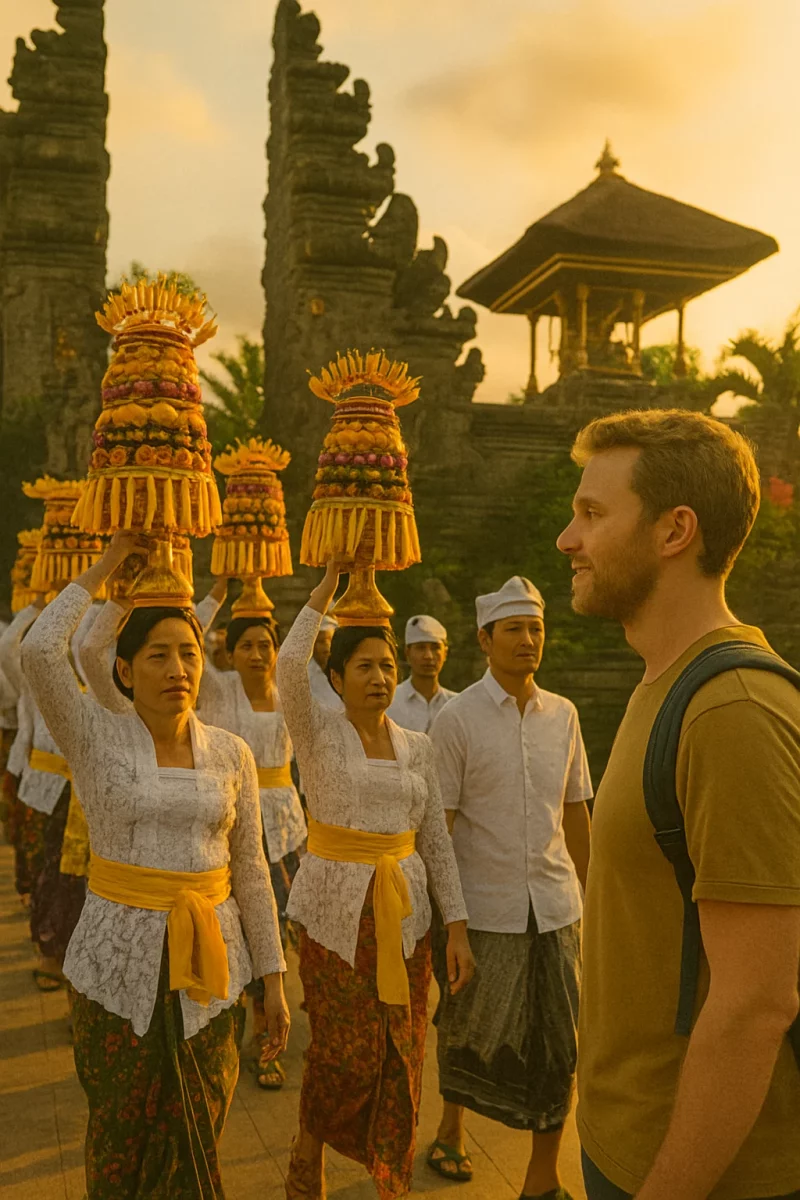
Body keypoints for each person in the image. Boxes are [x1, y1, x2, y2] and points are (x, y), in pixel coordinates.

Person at [556, 409, 800, 1200]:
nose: (568, 539)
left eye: (592, 514)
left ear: (674, 531)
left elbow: (756, 1002)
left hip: (700, 1175)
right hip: (626, 1139)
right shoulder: (665, 680)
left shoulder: (731, 709)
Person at [21, 531, 290, 1199]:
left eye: (189, 654)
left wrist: (273, 978)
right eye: (158, 655)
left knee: (197, 1136)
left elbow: (251, 871)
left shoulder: (230, 753)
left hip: (212, 968)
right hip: (116, 966)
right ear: (123, 668)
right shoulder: (94, 734)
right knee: (119, 1137)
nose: (177, 668)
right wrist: (112, 565)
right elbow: (38, 652)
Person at [276, 561, 475, 1200]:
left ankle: (391, 1175)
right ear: (334, 679)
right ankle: (310, 1145)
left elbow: (436, 841)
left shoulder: (417, 744)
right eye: (363, 666)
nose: (380, 677)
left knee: (402, 1050)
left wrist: (458, 928)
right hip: (337, 919)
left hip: (408, 920)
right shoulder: (318, 734)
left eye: (386, 667)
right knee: (344, 1054)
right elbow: (287, 669)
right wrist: (326, 591)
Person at [429, 575, 592, 1200]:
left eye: (536, 629)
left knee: (559, 1045)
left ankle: (541, 1178)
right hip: (484, 913)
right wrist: (454, 927)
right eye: (515, 630)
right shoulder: (456, 720)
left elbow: (576, 810)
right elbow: (438, 832)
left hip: (555, 908)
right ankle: (450, 1131)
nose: (528, 641)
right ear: (484, 639)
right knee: (470, 1038)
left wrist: (591, 896)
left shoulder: (565, 716)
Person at [386, 614, 457, 733]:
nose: (428, 656)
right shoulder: (390, 702)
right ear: (407, 653)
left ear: (445, 653)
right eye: (420, 648)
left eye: (435, 648)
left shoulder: (456, 704)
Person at [307, 609, 344, 710]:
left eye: (330, 640)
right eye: (321, 641)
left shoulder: (346, 671)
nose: (327, 647)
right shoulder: (306, 677)